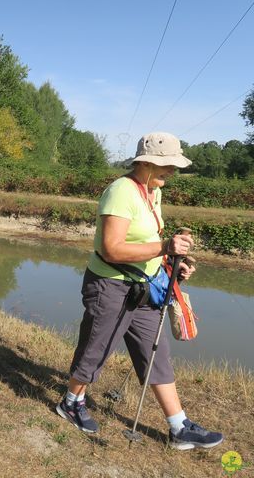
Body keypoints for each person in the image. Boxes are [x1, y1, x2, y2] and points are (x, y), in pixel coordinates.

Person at [55, 132, 224, 450]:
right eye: (166, 165)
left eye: (173, 166)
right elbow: (111, 250)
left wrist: (172, 260)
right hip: (111, 286)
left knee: (155, 352)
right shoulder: (121, 192)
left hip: (145, 287)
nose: (172, 172)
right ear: (145, 162)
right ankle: (71, 403)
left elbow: (143, 241)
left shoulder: (153, 192)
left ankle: (179, 427)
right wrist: (163, 246)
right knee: (96, 349)